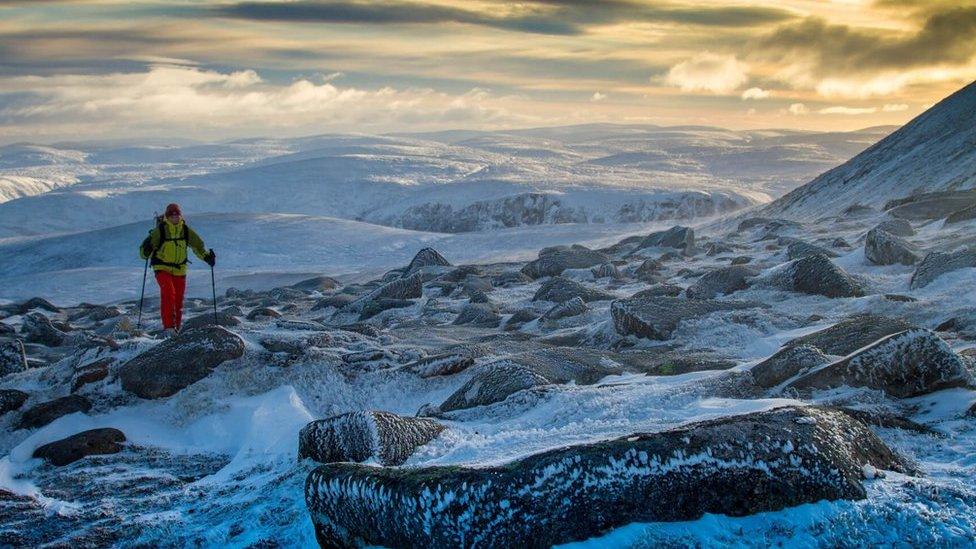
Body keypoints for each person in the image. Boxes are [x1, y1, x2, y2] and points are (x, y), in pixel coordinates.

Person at [139, 203, 215, 336]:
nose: (175, 217)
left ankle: (176, 329)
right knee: (168, 292)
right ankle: (168, 327)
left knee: (178, 299)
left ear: (180, 216)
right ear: (167, 217)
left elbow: (198, 246)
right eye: (172, 215)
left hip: (180, 269)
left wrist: (207, 257)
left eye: (177, 215)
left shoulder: (185, 230)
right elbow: (143, 252)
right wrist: (146, 251)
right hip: (161, 267)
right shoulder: (160, 231)